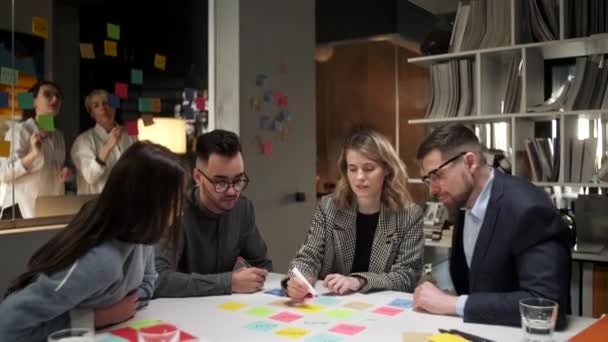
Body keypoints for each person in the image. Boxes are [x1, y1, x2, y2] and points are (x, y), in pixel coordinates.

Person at [0, 141, 186, 342]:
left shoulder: (142, 237)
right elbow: (7, 326)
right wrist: (97, 318)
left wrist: (115, 312)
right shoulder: (101, 262)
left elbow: (147, 285)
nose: (179, 211)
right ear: (148, 205)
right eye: (174, 202)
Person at [412, 123, 571, 328]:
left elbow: (546, 306)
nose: (433, 189)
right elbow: (479, 285)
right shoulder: (461, 201)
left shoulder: (529, 209)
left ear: (470, 163)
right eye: (427, 180)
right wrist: (448, 298)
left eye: (437, 175)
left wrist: (453, 304)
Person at [285, 128, 423, 300]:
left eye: (369, 168)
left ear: (387, 169)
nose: (359, 177)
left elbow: (407, 276)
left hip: (380, 309)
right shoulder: (329, 207)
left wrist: (359, 281)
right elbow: (308, 256)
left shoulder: (408, 215)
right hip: (333, 307)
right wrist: (301, 278)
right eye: (352, 169)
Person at [154, 129, 272, 297]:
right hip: (178, 313)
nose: (232, 191)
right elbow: (158, 279)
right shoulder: (176, 212)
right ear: (197, 177)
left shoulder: (243, 208)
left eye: (238, 180)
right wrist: (228, 283)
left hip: (225, 312)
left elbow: (262, 264)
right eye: (221, 182)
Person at [0, 80, 72, 218]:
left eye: (58, 95)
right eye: (48, 94)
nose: (55, 98)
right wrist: (33, 155)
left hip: (50, 211)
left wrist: (67, 172)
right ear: (34, 102)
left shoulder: (59, 136)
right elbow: (2, 173)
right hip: (21, 212)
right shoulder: (17, 131)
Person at [71, 89, 136, 194]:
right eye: (96, 105)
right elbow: (90, 176)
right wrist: (108, 146)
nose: (102, 108)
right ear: (91, 114)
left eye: (106, 103)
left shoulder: (131, 136)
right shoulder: (83, 141)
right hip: (97, 205)